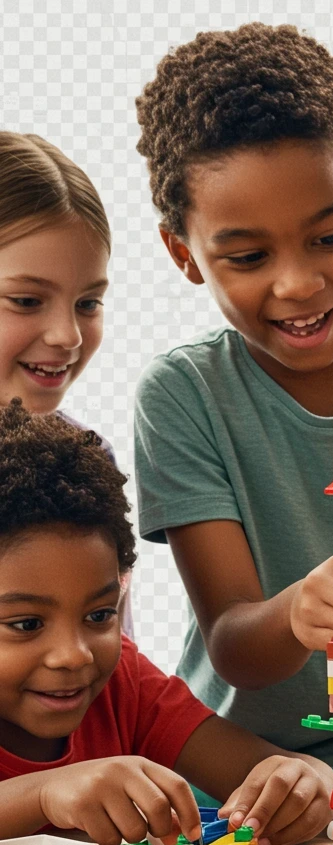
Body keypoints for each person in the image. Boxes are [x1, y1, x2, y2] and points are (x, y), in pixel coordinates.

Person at [133, 23, 333, 778]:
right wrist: (297, 613)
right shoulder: (183, 395)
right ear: (185, 254)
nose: (298, 284)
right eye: (247, 258)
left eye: (329, 237)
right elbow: (235, 644)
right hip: (242, 771)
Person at [0, 400, 333, 845]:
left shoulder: (125, 687)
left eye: (99, 615)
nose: (74, 654)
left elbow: (271, 767)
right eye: (26, 624)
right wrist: (42, 795)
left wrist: (306, 780)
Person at [0, 131, 132, 634]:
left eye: (88, 303)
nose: (68, 335)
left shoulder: (88, 462)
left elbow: (119, 673)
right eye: (27, 301)